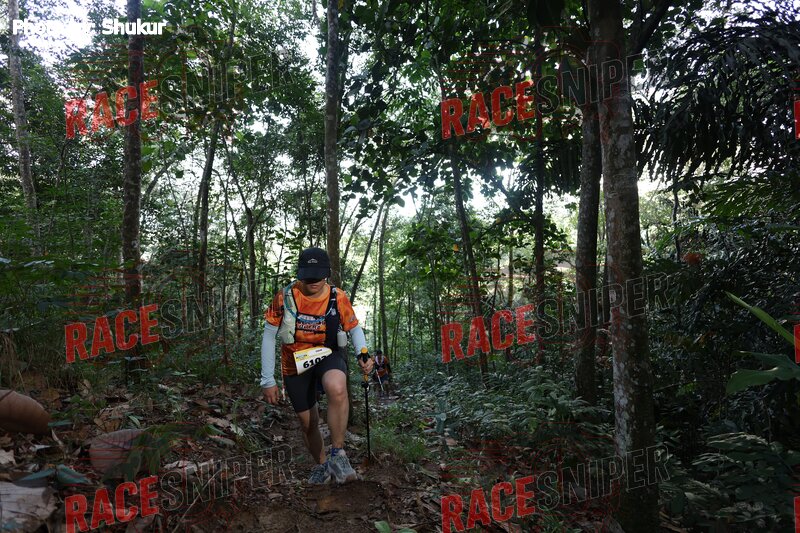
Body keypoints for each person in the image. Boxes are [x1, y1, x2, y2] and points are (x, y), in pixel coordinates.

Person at [260, 247, 373, 484]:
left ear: (327, 274)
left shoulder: (337, 297)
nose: (313, 281)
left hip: (327, 354)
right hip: (294, 362)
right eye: (308, 277)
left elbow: (354, 328)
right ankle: (322, 465)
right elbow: (269, 335)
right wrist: (267, 379)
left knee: (337, 387)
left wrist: (362, 353)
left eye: (318, 276)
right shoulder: (285, 296)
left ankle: (338, 454)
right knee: (307, 422)